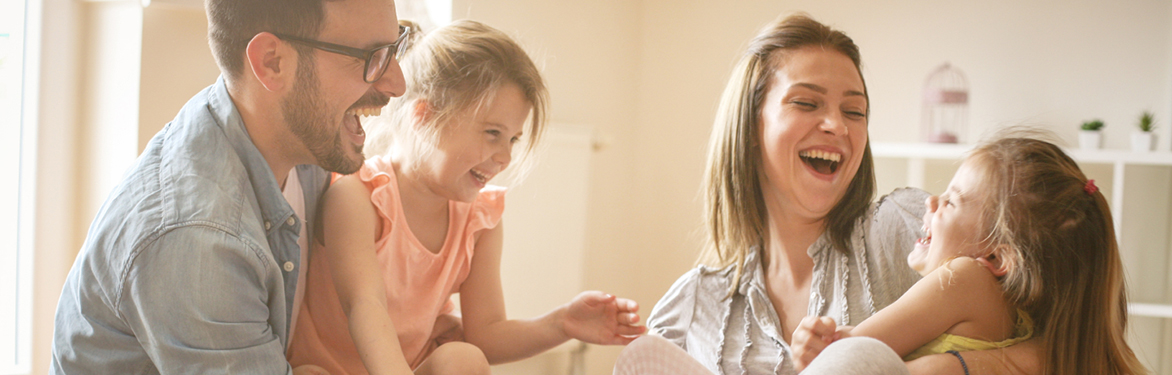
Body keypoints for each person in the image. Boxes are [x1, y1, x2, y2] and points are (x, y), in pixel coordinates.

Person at [644, 13, 1042, 374]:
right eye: (806, 102)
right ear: (749, 128)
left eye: (854, 111)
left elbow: (1073, 343)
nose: (837, 125)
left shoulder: (906, 228)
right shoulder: (692, 305)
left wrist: (946, 367)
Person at [49, 0, 408, 373]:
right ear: (272, 62)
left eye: (394, 47)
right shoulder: (199, 241)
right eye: (371, 56)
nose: (397, 83)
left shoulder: (300, 138)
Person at [286, 20, 646, 375]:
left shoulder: (479, 220)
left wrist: (562, 324)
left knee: (465, 358)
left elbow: (486, 335)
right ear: (424, 117)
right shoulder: (358, 195)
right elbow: (364, 306)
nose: (505, 156)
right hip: (329, 369)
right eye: (493, 133)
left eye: (513, 139)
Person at [793, 135, 1148, 374]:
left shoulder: (964, 277)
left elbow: (852, 351)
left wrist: (817, 343)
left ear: (996, 259)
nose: (930, 202)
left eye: (951, 201)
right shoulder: (1022, 325)